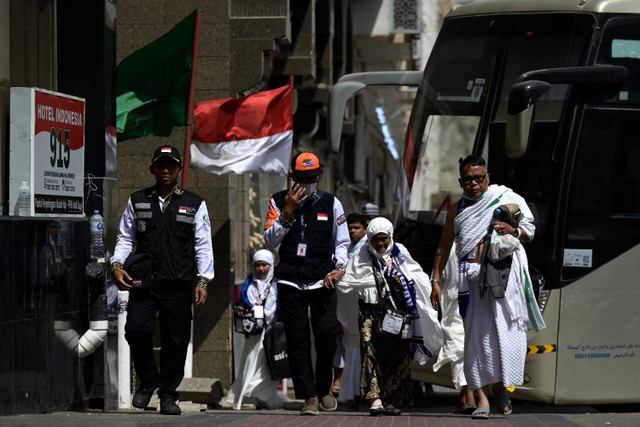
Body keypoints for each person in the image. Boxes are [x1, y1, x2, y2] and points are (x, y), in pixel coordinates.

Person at [429, 155, 545, 419]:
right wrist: (435, 281)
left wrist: (511, 231)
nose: (473, 183)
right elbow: (444, 247)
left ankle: (502, 389)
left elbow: (530, 231)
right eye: (467, 179)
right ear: (461, 181)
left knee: (506, 334)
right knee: (476, 340)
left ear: (488, 178)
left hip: (505, 279)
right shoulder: (456, 209)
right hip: (471, 280)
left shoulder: (506, 197)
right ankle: (482, 398)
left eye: (478, 178)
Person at [111, 146, 214, 416]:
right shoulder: (137, 200)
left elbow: (203, 245)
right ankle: (148, 380)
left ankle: (168, 394)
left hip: (178, 282)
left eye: (171, 165)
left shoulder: (195, 203)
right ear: (152, 169)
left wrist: (202, 281)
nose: (166, 169)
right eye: (161, 165)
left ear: (179, 170)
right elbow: (125, 238)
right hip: (143, 280)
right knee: (135, 329)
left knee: (176, 341)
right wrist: (117, 264)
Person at [264, 152, 350, 416]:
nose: (310, 182)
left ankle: (324, 389)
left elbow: (343, 243)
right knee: (297, 339)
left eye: (313, 178)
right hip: (291, 279)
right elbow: (270, 240)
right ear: (293, 178)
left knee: (325, 336)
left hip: (322, 280)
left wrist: (339, 269)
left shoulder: (331, 203)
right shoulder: (278, 201)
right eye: (304, 178)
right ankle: (308, 395)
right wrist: (288, 211)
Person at [337, 217, 442, 417]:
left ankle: (392, 400)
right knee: (369, 353)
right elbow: (348, 282)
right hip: (368, 311)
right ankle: (375, 399)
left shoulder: (400, 252)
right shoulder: (360, 254)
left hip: (398, 314)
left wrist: (398, 282)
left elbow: (417, 277)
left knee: (397, 355)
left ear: (390, 237)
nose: (380, 244)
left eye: (384, 239)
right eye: (375, 239)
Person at [225, 249, 280, 410]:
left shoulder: (277, 283)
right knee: (251, 363)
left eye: (264, 265)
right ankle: (249, 397)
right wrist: (242, 308)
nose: (261, 269)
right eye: (257, 265)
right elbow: (242, 302)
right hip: (255, 333)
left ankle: (261, 397)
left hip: (272, 332)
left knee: (269, 366)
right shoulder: (249, 283)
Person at [335, 213, 368, 410]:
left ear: (365, 228)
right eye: (350, 228)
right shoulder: (347, 247)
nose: (352, 231)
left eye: (356, 228)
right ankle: (352, 396)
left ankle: (359, 397)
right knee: (351, 354)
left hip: (364, 309)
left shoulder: (367, 247)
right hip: (350, 311)